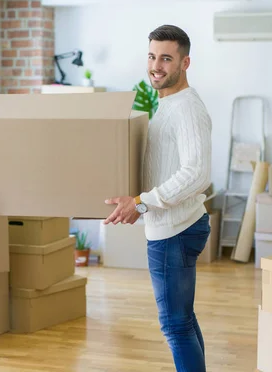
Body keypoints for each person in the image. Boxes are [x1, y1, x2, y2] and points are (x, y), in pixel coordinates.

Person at [104, 24, 212, 372]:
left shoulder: (187, 109)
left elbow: (196, 173)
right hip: (174, 224)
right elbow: (168, 166)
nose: (156, 65)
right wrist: (140, 202)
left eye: (166, 58)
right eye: (152, 56)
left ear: (185, 63)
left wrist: (142, 202)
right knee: (183, 320)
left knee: (175, 326)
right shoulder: (168, 103)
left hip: (174, 230)